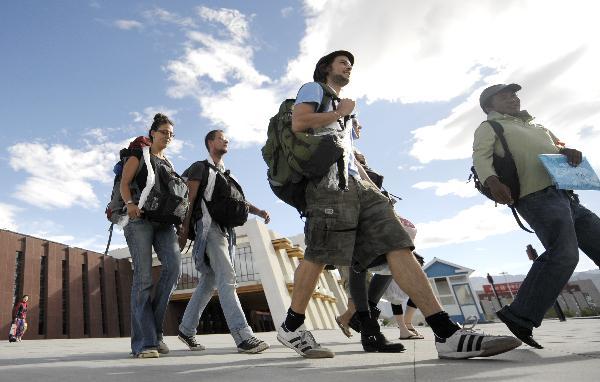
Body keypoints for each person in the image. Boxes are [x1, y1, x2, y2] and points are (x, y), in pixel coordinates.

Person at [276, 50, 521, 359]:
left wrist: (374, 188)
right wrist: (341, 113)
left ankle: (446, 333)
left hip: (357, 186)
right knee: (319, 254)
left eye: (351, 64)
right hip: (328, 188)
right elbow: (300, 122)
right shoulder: (313, 90)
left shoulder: (341, 107)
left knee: (399, 245)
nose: (348, 67)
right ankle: (291, 325)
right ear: (326, 68)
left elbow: (346, 155)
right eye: (342, 63)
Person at [473, 83, 600, 348]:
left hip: (567, 196)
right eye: (504, 95)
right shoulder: (491, 127)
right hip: (536, 197)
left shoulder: (537, 126)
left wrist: (568, 152)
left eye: (514, 94)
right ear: (489, 105)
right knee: (564, 254)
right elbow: (481, 158)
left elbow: (558, 149)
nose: (513, 98)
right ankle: (520, 316)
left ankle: (519, 315)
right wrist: (493, 182)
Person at [176, 130, 270, 354]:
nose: (226, 140)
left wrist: (257, 211)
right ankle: (243, 336)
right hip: (207, 228)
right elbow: (189, 200)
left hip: (226, 231)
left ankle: (186, 329)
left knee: (210, 280)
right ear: (210, 142)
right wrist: (184, 229)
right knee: (227, 277)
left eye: (227, 138)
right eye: (221, 137)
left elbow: (239, 200)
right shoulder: (200, 167)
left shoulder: (226, 173)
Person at [120, 113, 184, 358]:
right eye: (164, 132)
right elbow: (124, 183)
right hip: (139, 221)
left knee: (173, 268)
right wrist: (129, 204)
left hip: (164, 224)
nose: (168, 136)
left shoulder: (168, 163)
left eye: (171, 133)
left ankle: (154, 332)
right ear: (153, 133)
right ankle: (144, 343)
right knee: (144, 279)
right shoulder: (139, 155)